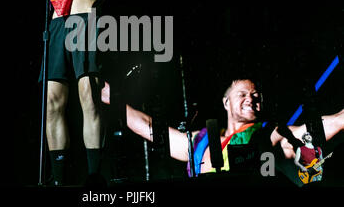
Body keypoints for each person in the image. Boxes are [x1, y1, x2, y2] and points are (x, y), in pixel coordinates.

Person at [0, 0, 213, 185]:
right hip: (57, 30)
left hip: (84, 26)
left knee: (88, 99)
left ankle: (94, 174)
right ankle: (58, 177)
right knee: (52, 104)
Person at [110, 79, 343, 176]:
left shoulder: (271, 135)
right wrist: (109, 96)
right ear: (226, 103)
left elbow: (324, 126)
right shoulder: (198, 141)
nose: (251, 99)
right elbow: (149, 127)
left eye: (255, 95)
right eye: (242, 94)